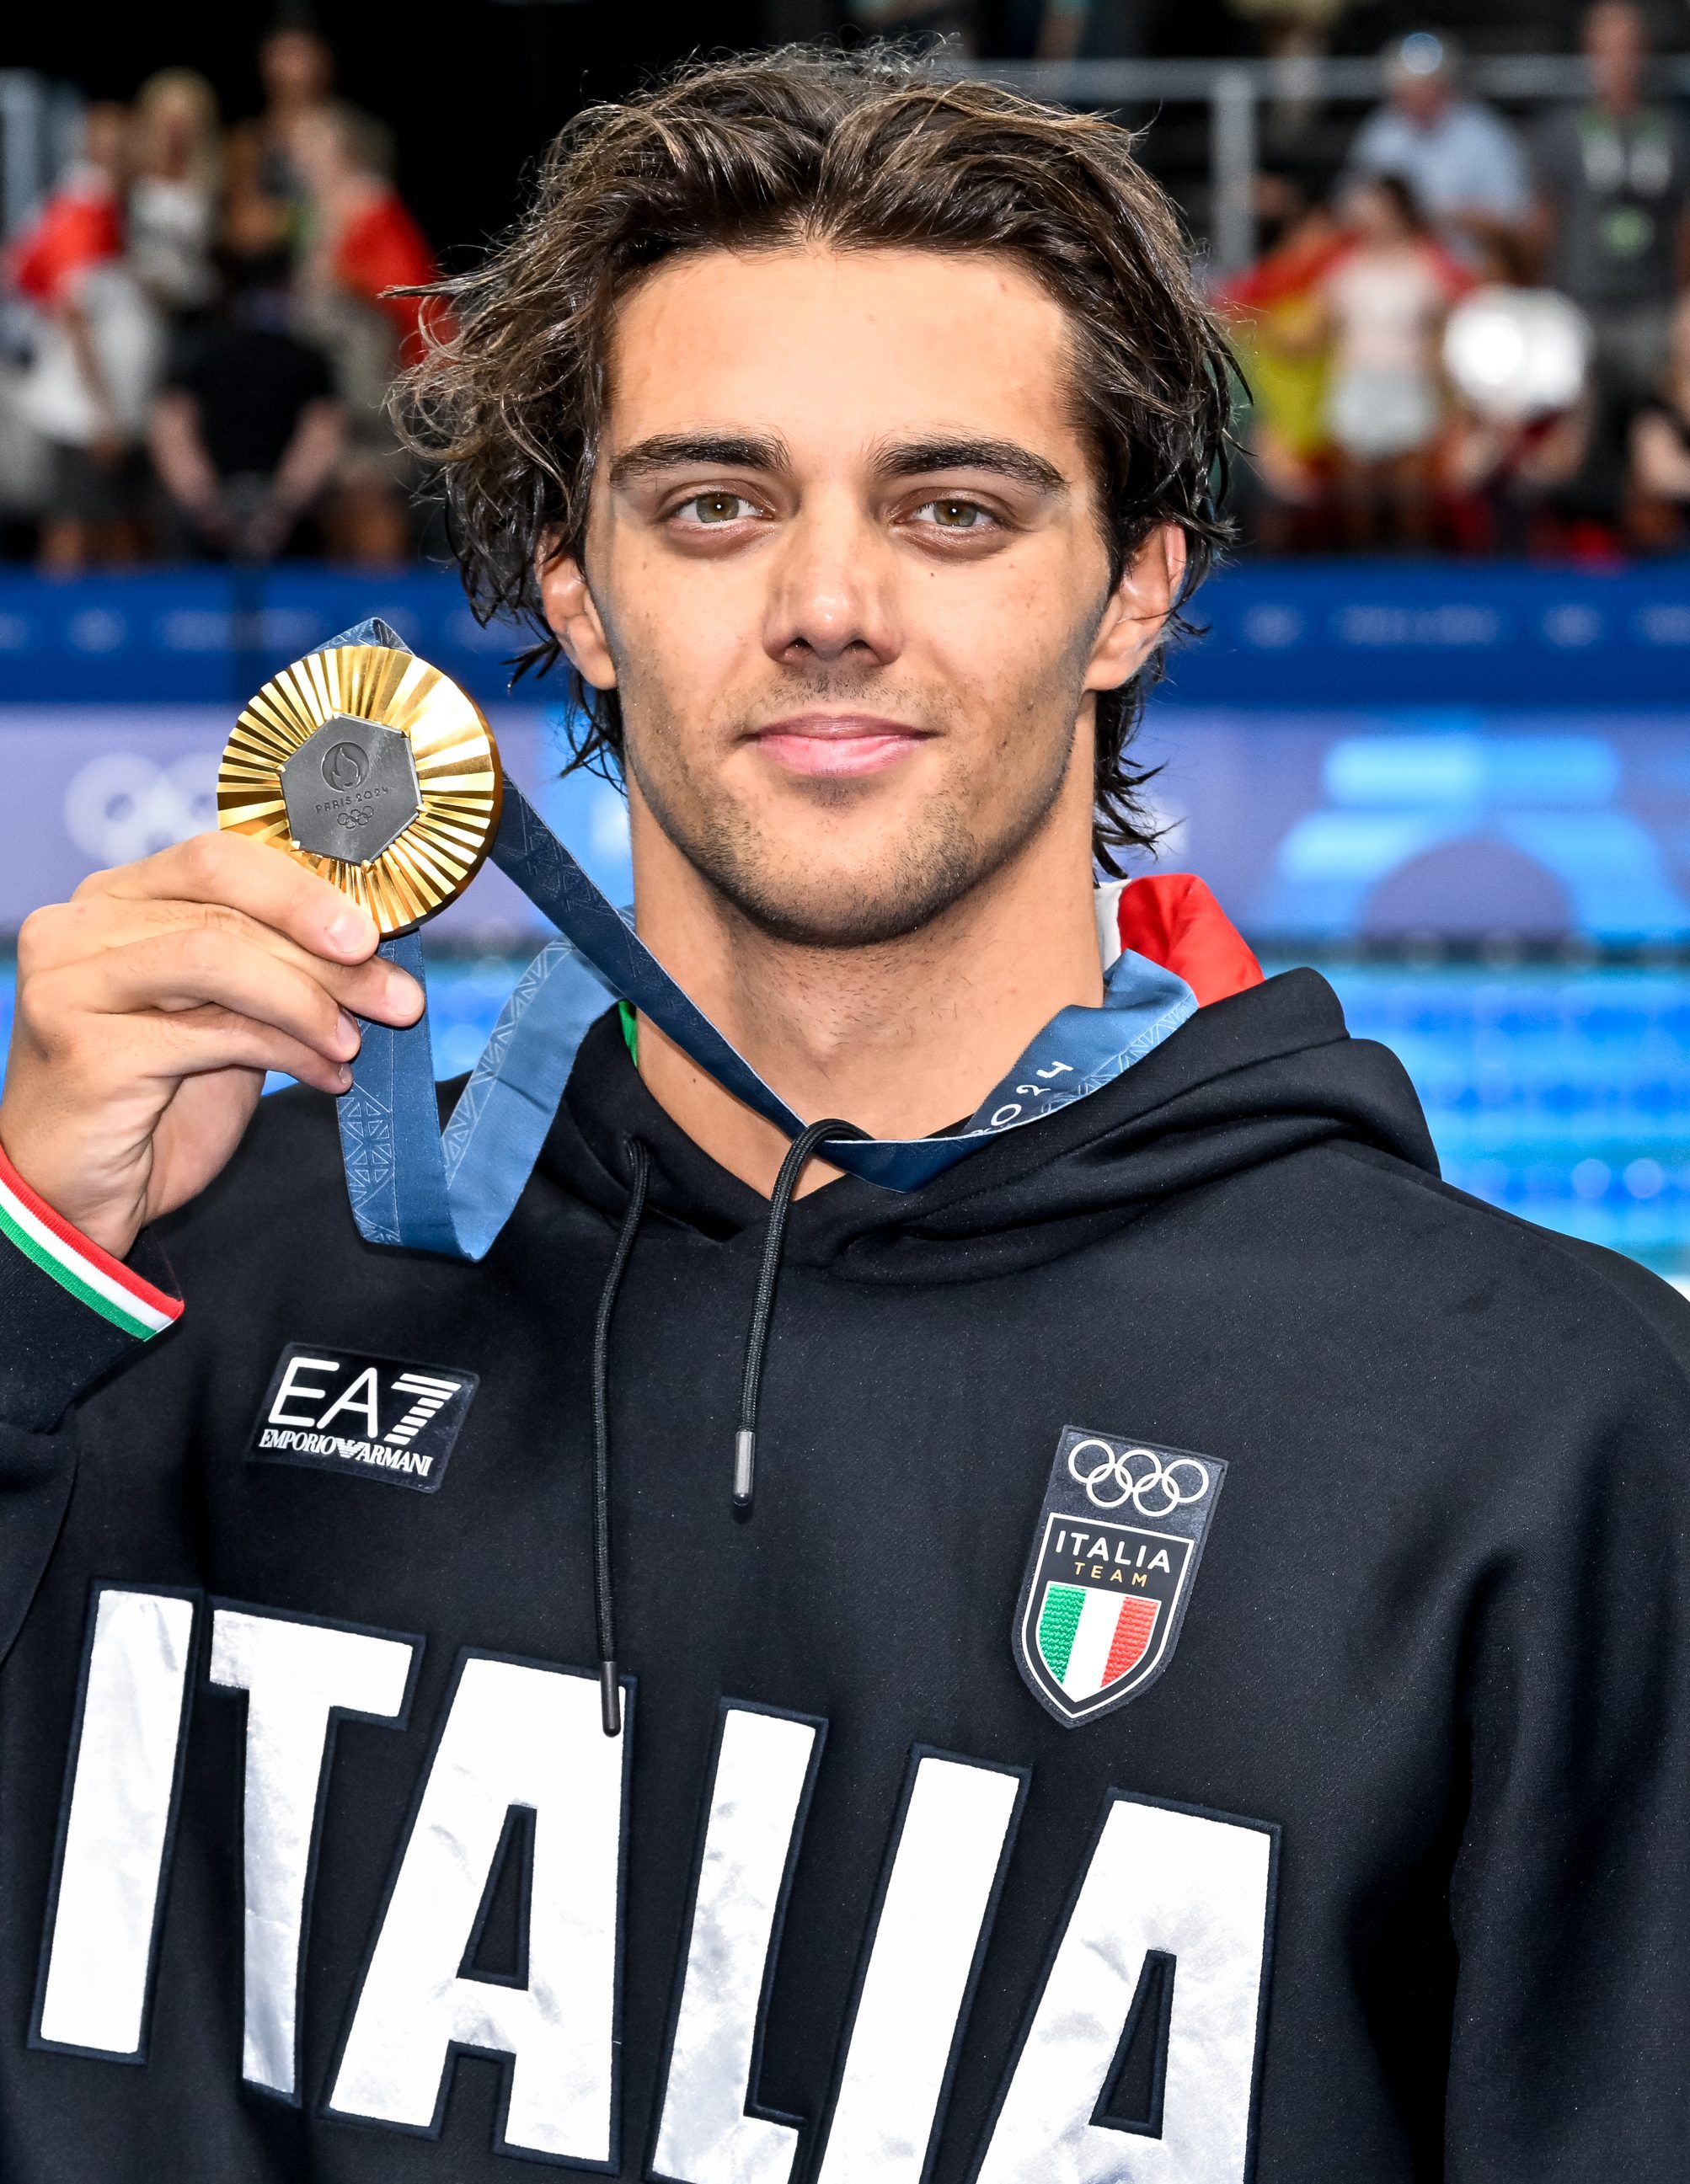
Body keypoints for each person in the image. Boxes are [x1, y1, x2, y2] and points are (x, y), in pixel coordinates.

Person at [3, 46, 1690, 2182]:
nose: (825, 603)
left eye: (952, 507)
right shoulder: (181, 1270)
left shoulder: (1546, 1433)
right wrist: (19, 1317)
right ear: (573, 592)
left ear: (1138, 589)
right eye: (713, 502)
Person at [1532, 0, 1690, 522]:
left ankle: (1658, 559)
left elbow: (1684, 226)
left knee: (1660, 436)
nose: (1619, 59)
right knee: (1569, 439)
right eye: (1608, 47)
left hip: (1654, 305)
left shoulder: (1673, 130)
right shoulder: (1563, 131)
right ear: (1590, 53)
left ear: (1644, 53)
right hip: (1581, 302)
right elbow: (1545, 222)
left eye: (1629, 46)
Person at [6, 102, 163, 571]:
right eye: (110, 148)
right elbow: (71, 315)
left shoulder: (118, 210)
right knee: (75, 528)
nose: (121, 156)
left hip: (115, 407)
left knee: (121, 527)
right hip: (81, 411)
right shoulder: (81, 211)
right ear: (92, 150)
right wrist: (101, 412)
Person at [289, 99, 436, 563]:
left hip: (369, 369)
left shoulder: (370, 204)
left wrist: (345, 278)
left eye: (313, 149)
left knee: (371, 486)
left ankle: (382, 613)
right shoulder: (314, 210)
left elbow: (406, 287)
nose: (302, 160)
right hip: (323, 370)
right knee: (334, 491)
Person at [149, 248, 345, 559]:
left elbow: (172, 428)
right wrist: (281, 509)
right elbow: (173, 426)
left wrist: (206, 504)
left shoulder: (199, 350)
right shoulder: (201, 353)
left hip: (262, 517)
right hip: (267, 516)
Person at [1320, 171, 1467, 546]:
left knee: (1411, 491)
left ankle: (1411, 574)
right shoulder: (1345, 266)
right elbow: (1317, 329)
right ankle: (1360, 573)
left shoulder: (1428, 263)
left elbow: (1445, 334)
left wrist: (1451, 397)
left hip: (1408, 380)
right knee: (1357, 492)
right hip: (1358, 379)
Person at [1344, 30, 1532, 260]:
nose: (1419, 95)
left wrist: (1450, 216)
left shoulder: (1484, 134)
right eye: (1409, 87)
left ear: (1447, 85)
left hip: (1469, 267)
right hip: (1401, 270)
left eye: (1428, 86)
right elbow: (1350, 206)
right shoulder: (1382, 133)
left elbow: (1516, 218)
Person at [127, 69, 222, 333]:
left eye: (185, 118)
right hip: (139, 307)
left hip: (195, 309)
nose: (175, 127)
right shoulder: (130, 177)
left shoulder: (214, 179)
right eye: (168, 117)